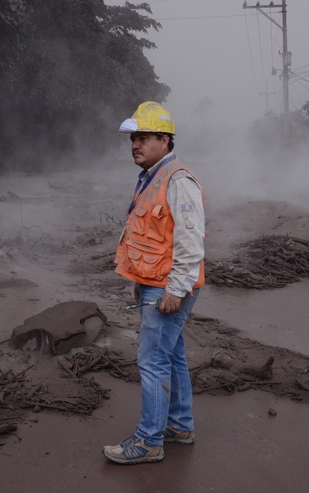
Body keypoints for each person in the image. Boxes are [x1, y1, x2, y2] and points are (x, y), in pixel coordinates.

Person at [102, 101, 206, 465]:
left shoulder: (178, 180)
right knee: (172, 355)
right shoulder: (152, 177)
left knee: (151, 361)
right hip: (155, 284)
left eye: (143, 137)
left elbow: (191, 244)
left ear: (164, 140)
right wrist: (140, 280)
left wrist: (175, 289)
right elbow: (152, 237)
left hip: (169, 287)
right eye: (133, 138)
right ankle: (179, 425)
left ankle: (148, 441)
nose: (135, 144)